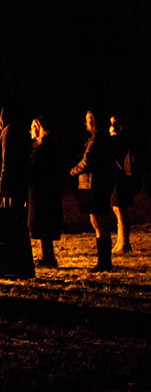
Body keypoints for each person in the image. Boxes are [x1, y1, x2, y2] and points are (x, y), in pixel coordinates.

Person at [0, 98, 35, 279]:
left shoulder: (8, 131)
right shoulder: (10, 130)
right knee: (14, 227)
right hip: (14, 185)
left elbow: (7, 160)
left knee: (10, 226)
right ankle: (16, 266)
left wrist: (2, 184)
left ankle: (11, 266)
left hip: (10, 186)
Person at [70, 110, 115, 272]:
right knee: (98, 221)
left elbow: (87, 162)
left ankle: (104, 262)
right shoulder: (98, 139)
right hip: (97, 184)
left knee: (98, 221)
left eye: (88, 120)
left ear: (94, 121)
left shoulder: (96, 140)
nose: (86, 123)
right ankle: (104, 260)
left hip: (94, 185)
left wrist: (72, 171)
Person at [27, 117, 63, 267]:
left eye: (34, 126)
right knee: (43, 224)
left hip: (42, 191)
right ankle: (47, 255)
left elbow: (36, 168)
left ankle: (48, 257)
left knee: (42, 223)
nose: (31, 130)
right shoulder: (43, 146)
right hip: (44, 190)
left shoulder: (44, 147)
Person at [109, 114, 135, 253]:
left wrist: (112, 137)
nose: (112, 126)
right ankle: (121, 241)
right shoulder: (122, 138)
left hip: (122, 177)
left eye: (115, 123)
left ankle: (124, 242)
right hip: (118, 177)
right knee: (117, 208)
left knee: (120, 209)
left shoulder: (122, 138)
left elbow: (115, 151)